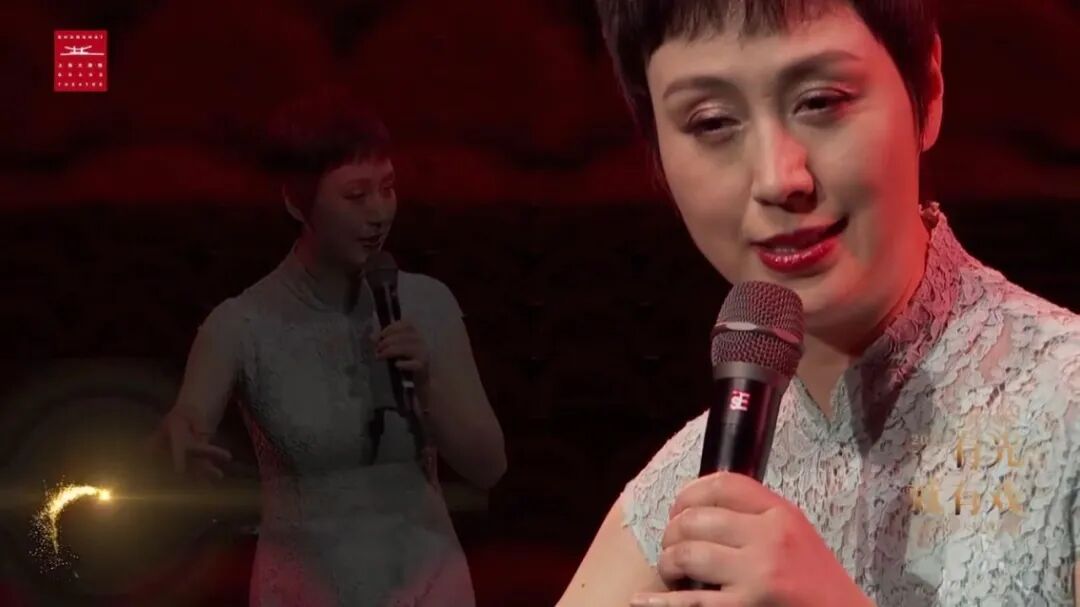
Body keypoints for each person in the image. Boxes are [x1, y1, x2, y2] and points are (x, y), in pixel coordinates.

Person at [559, 1, 1079, 606]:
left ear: (929, 89)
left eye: (820, 102)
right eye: (712, 122)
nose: (779, 178)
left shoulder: (1065, 406)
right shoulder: (676, 499)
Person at [155, 89, 506, 606]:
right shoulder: (240, 325)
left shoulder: (427, 303)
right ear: (296, 202)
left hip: (429, 583)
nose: (379, 212)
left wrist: (428, 382)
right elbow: (190, 420)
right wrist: (180, 438)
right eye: (356, 196)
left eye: (387, 188)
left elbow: (489, 466)